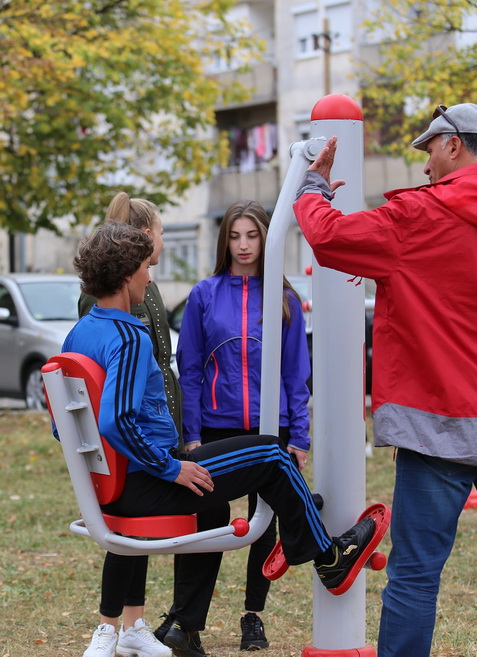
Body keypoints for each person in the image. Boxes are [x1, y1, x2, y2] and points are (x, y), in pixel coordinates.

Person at [292, 103, 477, 657]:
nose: (425, 164)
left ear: (454, 145)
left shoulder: (416, 219)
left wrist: (312, 184)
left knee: (414, 578)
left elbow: (328, 239)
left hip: (434, 431)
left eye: (429, 149)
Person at [63, 222, 376, 657]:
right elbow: (116, 421)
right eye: (145, 269)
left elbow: (68, 426)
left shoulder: (81, 332)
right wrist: (172, 468)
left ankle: (191, 621)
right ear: (126, 274)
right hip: (148, 485)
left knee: (239, 484)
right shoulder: (128, 336)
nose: (149, 278)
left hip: (112, 490)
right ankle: (329, 557)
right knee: (272, 453)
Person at [175, 200, 311, 650]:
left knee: (264, 523)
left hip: (272, 430)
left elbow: (296, 373)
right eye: (235, 236)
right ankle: (187, 623)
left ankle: (253, 616)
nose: (244, 245)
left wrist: (301, 436)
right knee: (206, 520)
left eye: (252, 236)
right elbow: (190, 368)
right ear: (224, 241)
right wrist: (191, 435)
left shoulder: (285, 299)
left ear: (266, 239)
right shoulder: (204, 294)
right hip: (215, 428)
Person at [77, 192, 185, 657]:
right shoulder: (110, 310)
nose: (161, 239)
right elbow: (101, 389)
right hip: (128, 433)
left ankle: (134, 625)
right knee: (125, 532)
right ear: (143, 238)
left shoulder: (147, 289)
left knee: (136, 532)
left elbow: (159, 363)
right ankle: (108, 626)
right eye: (160, 230)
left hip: (152, 421)